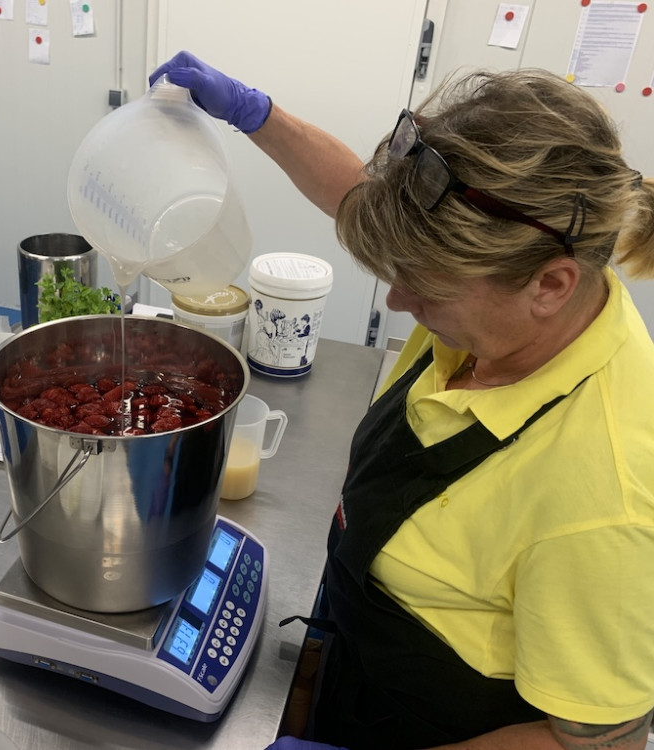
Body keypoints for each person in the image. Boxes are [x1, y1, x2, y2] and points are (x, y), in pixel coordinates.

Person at [150, 52, 654, 750]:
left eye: (426, 284)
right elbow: (356, 195)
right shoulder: (512, 298)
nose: (396, 300)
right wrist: (255, 115)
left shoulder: (605, 501)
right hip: (360, 670)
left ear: (550, 285)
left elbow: (598, 738)